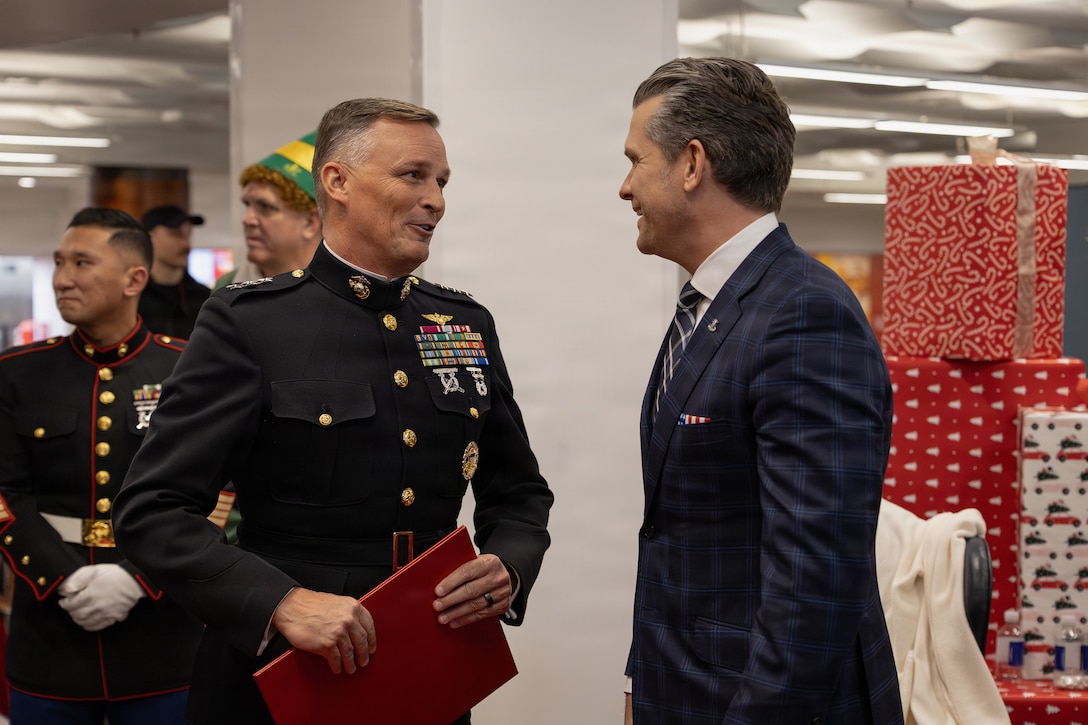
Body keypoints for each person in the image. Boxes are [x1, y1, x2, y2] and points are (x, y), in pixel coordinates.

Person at [114, 98, 554, 725]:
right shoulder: (251, 323)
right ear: (337, 181)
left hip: (428, 661)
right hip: (285, 672)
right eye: (413, 175)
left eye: (442, 182)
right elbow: (151, 511)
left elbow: (518, 489)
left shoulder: (461, 324)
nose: (436, 200)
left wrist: (509, 562)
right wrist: (280, 602)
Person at [619, 58, 903, 724]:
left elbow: (814, 584)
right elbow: (679, 534)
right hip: (687, 693)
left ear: (692, 164)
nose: (625, 186)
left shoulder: (804, 313)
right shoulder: (716, 304)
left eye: (636, 160)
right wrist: (643, 679)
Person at [0, 207, 203, 724]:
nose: (62, 279)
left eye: (83, 263)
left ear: (135, 278)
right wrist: (63, 579)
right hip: (50, 633)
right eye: (59, 262)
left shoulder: (186, 368)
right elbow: (6, 495)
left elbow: (212, 491)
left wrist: (139, 579)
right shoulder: (18, 374)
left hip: (161, 632)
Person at [215, 132, 323, 287]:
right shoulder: (227, 285)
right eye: (247, 205)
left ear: (310, 223)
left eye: (265, 207)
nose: (247, 220)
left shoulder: (344, 288)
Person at [138, 204, 211, 338]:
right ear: (149, 237)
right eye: (176, 234)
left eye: (188, 235)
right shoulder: (133, 296)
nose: (186, 245)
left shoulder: (203, 298)